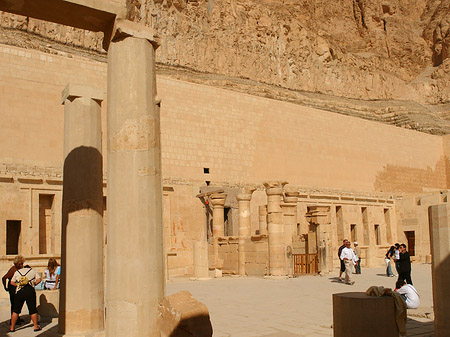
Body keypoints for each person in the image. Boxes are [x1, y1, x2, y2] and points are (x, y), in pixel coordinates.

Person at [9, 264, 42, 332]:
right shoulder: (33, 271)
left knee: (16, 310)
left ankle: (12, 328)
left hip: (20, 291)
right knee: (32, 309)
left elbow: (11, 282)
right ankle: (35, 326)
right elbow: (39, 279)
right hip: (30, 290)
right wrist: (34, 283)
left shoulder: (17, 272)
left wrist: (18, 285)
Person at [2, 255, 25, 325]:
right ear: (16, 264)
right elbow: (4, 278)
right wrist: (5, 287)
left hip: (17, 286)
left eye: (22, 264)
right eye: (20, 264)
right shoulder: (13, 269)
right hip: (12, 287)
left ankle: (17, 317)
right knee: (14, 303)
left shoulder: (19, 269)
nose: (21, 265)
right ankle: (14, 319)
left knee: (18, 303)